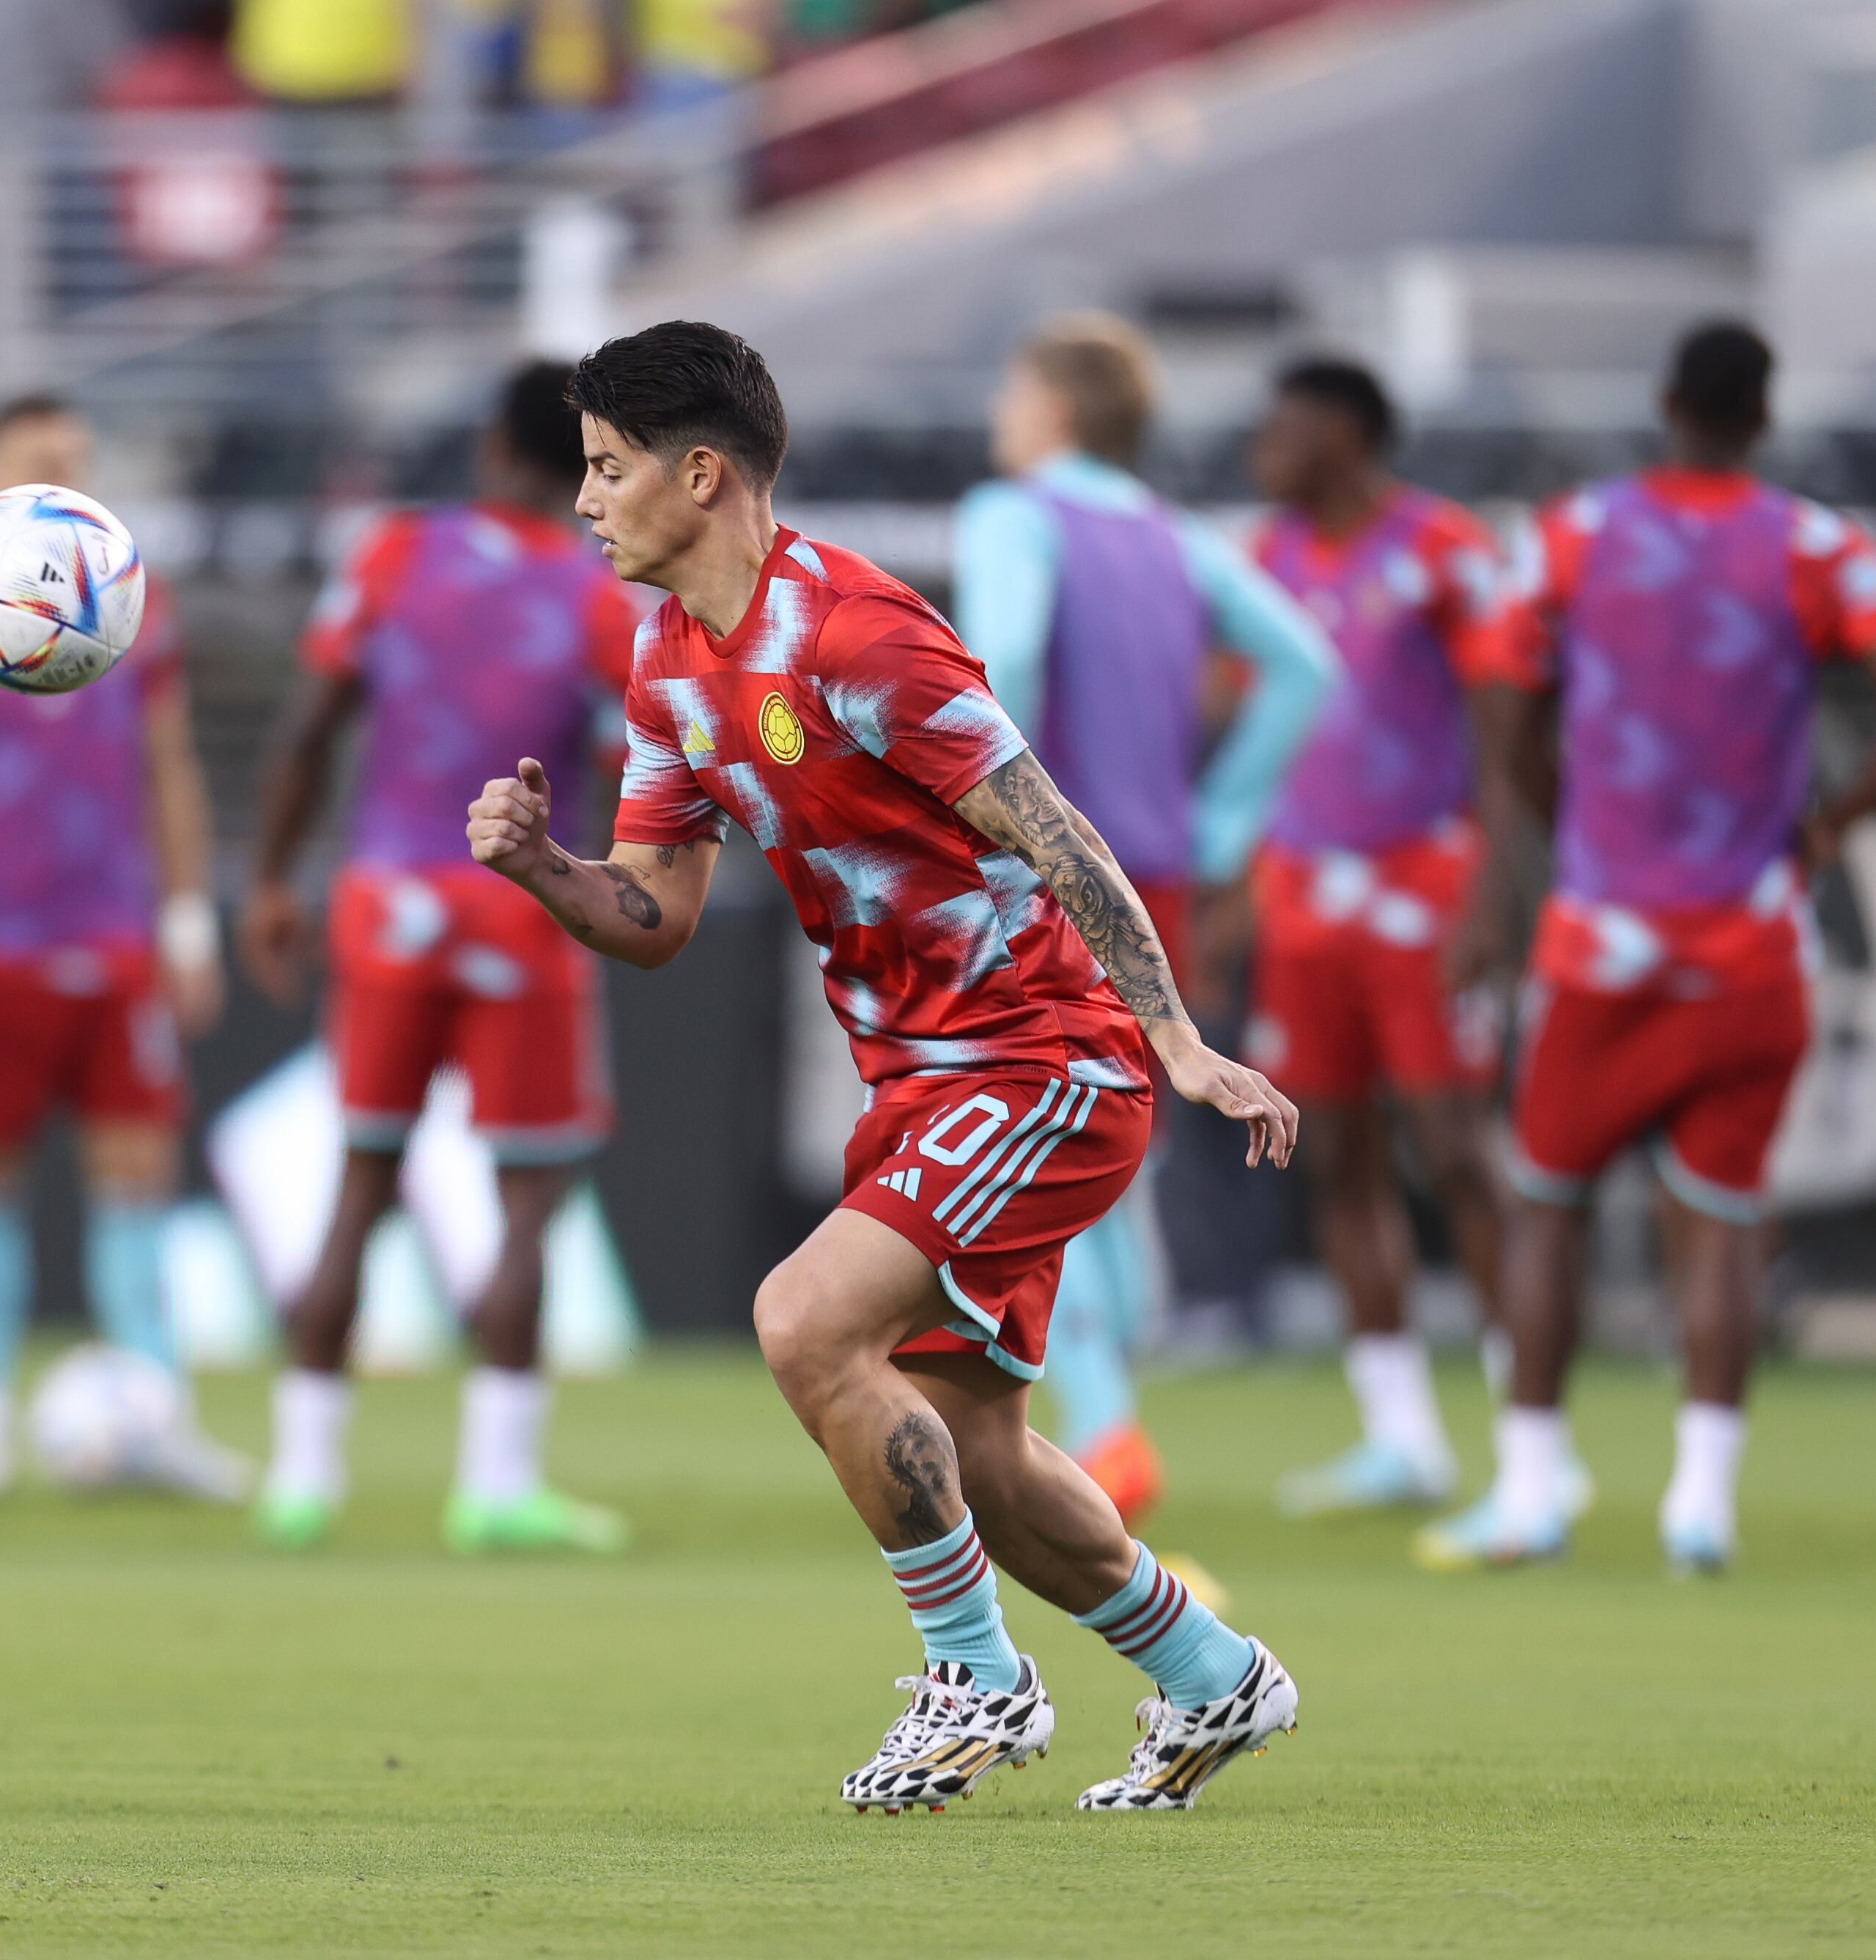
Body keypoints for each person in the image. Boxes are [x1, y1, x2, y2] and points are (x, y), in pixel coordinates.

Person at [470, 319, 1301, 1812]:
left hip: (1038, 1061)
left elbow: (1056, 829)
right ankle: (1212, 1677)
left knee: (800, 1320)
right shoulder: (668, 657)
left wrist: (1173, 1037)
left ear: (700, 472)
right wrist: (545, 866)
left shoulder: (857, 636)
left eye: (606, 469)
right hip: (922, 1081)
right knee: (976, 1448)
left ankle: (976, 1674)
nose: (583, 500)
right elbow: (655, 912)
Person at [1421, 322, 1876, 1574]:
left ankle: (1532, 1489)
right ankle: (1699, 1505)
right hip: (1757, 947)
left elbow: (1503, 697)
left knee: (1546, 1204)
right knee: (1720, 1219)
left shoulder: (1579, 533)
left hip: (1606, 944)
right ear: (1764, 418)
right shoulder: (1819, 545)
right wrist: (1828, 823)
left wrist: (1545, 814)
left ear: (1666, 400)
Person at [241, 359, 639, 1555]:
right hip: (521, 902)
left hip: (387, 902)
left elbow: (311, 728)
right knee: (527, 1202)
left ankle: (301, 1479)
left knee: (361, 1183)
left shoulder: (391, 555)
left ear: (487, 444)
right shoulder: (595, 594)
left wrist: (269, 880)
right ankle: (496, 1486)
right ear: (588, 470)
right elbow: (634, 771)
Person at [950, 312, 1335, 1524]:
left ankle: (1104, 1418)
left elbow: (1003, 650)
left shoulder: (1012, 516)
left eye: (1015, 394)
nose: (1001, 417)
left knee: (1034, 1137)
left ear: (1054, 410)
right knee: (1106, 1138)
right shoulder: (1181, 542)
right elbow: (1307, 666)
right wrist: (1222, 821)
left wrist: (974, 810)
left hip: (1039, 872)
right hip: (1152, 879)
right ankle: (1103, 1417)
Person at [0, 393, 244, 1508]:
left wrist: (185, 924)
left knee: (139, 1177)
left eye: (78, 461)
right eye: (42, 461)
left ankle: (159, 1414)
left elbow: (170, 769)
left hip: (115, 937)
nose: (67, 479)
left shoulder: (135, 609)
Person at [1241, 356, 1521, 1515]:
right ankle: (1400, 1432)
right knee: (1337, 1151)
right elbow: (1237, 721)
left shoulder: (1443, 550)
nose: (1266, 444)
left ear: (1346, 434)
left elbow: (1507, 724)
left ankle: (1529, 1432)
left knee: (1455, 1148)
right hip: (1301, 888)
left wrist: (1496, 885)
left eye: (1287, 423)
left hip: (1423, 880)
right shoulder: (1266, 561)